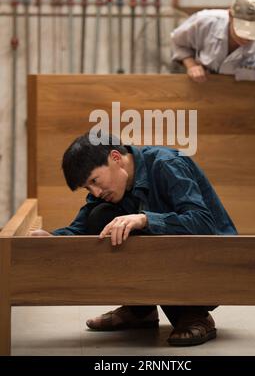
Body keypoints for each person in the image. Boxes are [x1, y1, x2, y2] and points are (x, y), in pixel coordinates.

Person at [32, 133, 237, 346]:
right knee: (100, 217)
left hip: (215, 266)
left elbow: (204, 224)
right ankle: (141, 311)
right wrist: (51, 238)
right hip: (180, 264)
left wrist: (145, 219)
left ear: (116, 158)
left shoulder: (166, 163)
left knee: (141, 226)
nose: (95, 191)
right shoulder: (106, 190)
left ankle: (195, 315)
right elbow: (80, 228)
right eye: (88, 187)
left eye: (94, 181)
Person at [171, 0, 255, 182]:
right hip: (200, 103)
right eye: (242, 29)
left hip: (240, 116)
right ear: (230, 14)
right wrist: (190, 64)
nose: (246, 39)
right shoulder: (204, 22)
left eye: (253, 33)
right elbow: (177, 41)